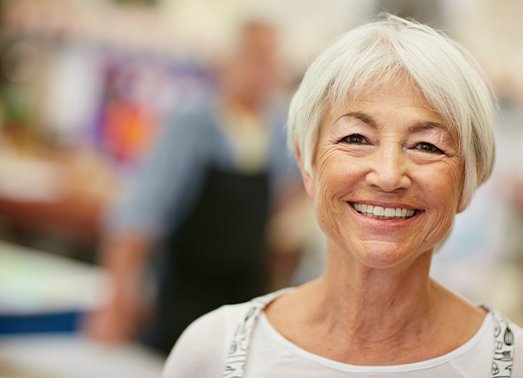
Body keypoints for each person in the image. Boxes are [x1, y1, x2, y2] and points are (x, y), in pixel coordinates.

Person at [162, 15, 523, 377]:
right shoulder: (214, 350)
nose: (387, 175)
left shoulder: (510, 361)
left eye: (426, 146)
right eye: (355, 139)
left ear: (469, 181)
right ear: (307, 165)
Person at [86, 20, 302, 354]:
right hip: (184, 293)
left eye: (271, 60)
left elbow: (287, 200)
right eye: (254, 57)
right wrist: (119, 298)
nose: (263, 71)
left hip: (244, 294)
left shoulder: (279, 129)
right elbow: (140, 213)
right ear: (227, 61)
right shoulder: (191, 123)